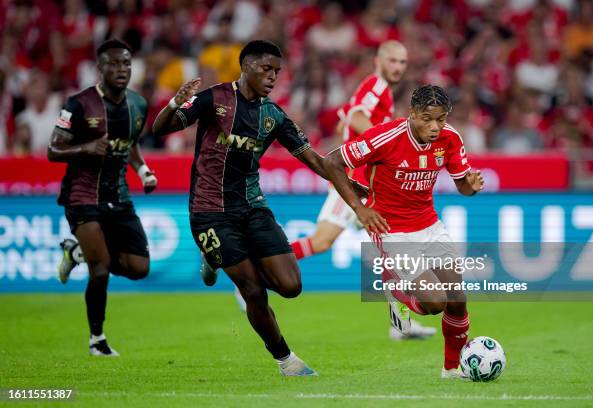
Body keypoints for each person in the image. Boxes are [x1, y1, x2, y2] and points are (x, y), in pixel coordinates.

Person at [151, 40, 360, 376]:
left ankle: (217, 259)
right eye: (266, 68)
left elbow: (315, 161)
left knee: (291, 286)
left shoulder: (273, 115)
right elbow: (160, 129)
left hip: (253, 207)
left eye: (277, 71)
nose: (273, 76)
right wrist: (176, 101)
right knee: (252, 289)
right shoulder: (214, 99)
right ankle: (286, 360)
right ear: (246, 65)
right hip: (210, 211)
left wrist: (349, 186)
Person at [323, 85, 484, 378]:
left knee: (458, 299)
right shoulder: (386, 136)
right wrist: (359, 208)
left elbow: (462, 183)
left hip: (429, 225)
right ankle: (396, 291)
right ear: (411, 114)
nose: (434, 127)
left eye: (440, 119)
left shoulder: (450, 138)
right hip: (391, 230)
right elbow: (332, 162)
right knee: (436, 303)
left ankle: (451, 369)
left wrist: (470, 188)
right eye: (427, 119)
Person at [290, 40, 436, 340]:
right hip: (353, 184)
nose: (398, 67)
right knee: (322, 242)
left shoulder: (376, 89)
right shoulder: (377, 86)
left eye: (402, 62)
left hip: (366, 185)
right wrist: (384, 140)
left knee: (390, 249)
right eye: (393, 61)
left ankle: (401, 325)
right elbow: (356, 116)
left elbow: (346, 114)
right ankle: (257, 270)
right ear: (378, 61)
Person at [48, 39, 158, 357]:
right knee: (100, 270)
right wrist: (85, 148)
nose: (121, 69)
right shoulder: (78, 104)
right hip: (83, 196)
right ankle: (97, 339)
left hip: (119, 196)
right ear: (100, 68)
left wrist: (144, 171)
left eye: (126, 63)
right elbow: (53, 149)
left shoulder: (138, 104)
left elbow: (131, 144)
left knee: (139, 268)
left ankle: (76, 253)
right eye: (114, 64)